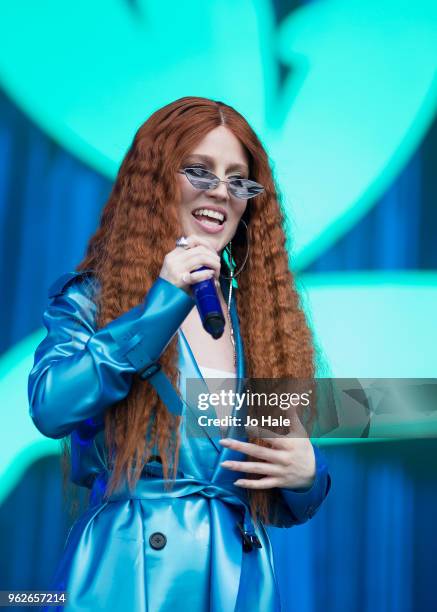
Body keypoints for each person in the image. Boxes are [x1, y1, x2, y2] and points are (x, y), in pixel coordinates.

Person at [28, 96, 331, 612]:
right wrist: (160, 305)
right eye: (200, 171)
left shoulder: (260, 323)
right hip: (125, 573)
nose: (221, 192)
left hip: (239, 576)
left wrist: (307, 477)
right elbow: (51, 406)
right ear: (156, 182)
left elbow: (268, 488)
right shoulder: (92, 298)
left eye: (239, 180)